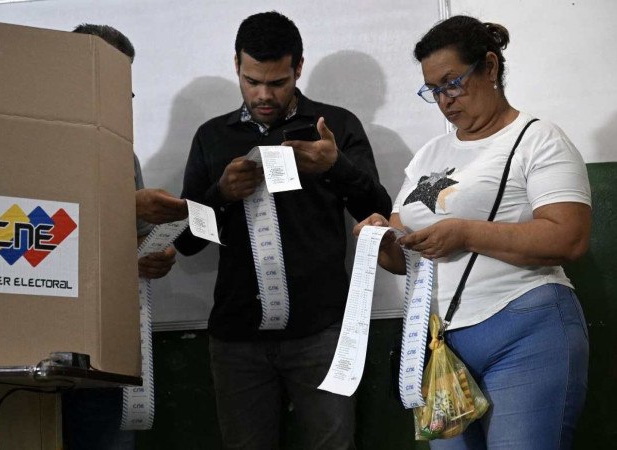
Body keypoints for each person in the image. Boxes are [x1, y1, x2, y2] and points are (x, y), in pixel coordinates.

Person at [355, 15, 591, 450]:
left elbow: (568, 239)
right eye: (433, 90)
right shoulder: (430, 154)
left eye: (452, 82)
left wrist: (465, 233)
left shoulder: (539, 139)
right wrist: (381, 238)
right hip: (440, 346)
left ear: (489, 67)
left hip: (526, 330)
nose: (444, 100)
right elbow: (400, 260)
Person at [174, 11, 391, 450]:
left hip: (322, 330)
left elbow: (378, 215)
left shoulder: (335, 127)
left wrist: (336, 167)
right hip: (237, 337)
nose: (264, 95)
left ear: (298, 68)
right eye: (253, 81)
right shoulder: (212, 137)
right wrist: (221, 194)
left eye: (277, 82)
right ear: (236, 65)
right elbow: (187, 242)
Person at [61, 24, 187, 450]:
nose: (124, 102)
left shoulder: (123, 155)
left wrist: (154, 252)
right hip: (36, 350)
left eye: (128, 91)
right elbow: (18, 237)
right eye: (114, 86)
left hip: (105, 350)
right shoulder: (23, 143)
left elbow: (133, 242)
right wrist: (122, 207)